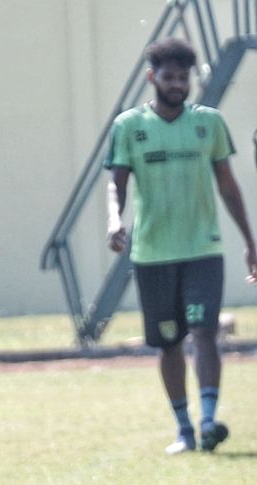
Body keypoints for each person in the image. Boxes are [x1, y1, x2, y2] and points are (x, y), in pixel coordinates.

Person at [105, 37, 256, 455]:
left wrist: (249, 240)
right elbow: (115, 185)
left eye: (183, 78)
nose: (176, 84)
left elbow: (228, 186)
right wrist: (115, 220)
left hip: (202, 251)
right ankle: (184, 428)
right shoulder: (129, 127)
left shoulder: (209, 123)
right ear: (152, 77)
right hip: (153, 254)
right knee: (169, 343)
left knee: (205, 332)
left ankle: (209, 421)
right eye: (168, 77)